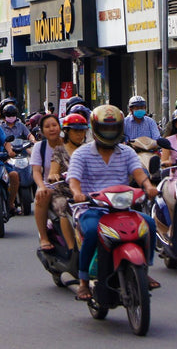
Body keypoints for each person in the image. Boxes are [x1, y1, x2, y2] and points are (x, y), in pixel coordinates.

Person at [68, 104, 159, 301]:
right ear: (95, 128)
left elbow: (139, 173)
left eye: (113, 128)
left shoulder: (126, 152)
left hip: (121, 208)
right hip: (91, 208)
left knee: (149, 224)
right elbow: (73, 179)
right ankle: (83, 281)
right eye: (105, 128)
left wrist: (148, 186)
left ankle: (144, 267)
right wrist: (77, 193)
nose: (109, 132)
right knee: (92, 232)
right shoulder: (81, 154)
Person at [33, 113, 84, 253]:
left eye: (54, 125)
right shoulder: (43, 148)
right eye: (47, 126)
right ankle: (46, 238)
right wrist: (43, 185)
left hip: (83, 187)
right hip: (56, 185)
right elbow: (37, 171)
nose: (52, 129)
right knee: (46, 196)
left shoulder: (86, 149)